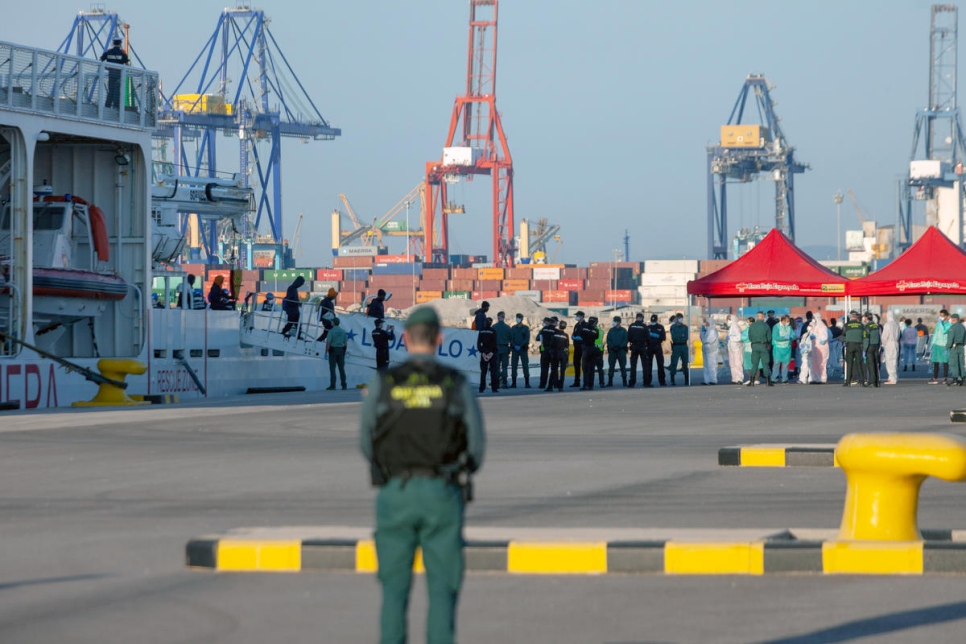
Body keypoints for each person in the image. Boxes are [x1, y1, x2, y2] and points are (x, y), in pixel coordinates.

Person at [359, 305, 485, 644]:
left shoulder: (384, 383)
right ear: (440, 340)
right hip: (441, 492)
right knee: (442, 591)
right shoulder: (454, 383)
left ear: (405, 339)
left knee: (394, 593)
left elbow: (365, 441)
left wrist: (388, 469)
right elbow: (476, 448)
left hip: (395, 494)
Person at [99, 38, 129, 110]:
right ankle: (116, 107)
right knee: (117, 91)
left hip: (111, 73)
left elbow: (101, 60)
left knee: (111, 91)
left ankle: (107, 106)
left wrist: (106, 67)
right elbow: (127, 63)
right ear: (120, 43)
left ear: (113, 43)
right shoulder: (122, 52)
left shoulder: (109, 52)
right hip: (119, 74)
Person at [747, 311, 772, 387]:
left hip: (754, 345)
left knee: (754, 364)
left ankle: (751, 381)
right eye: (763, 316)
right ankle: (768, 381)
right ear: (762, 317)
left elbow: (750, 337)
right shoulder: (766, 325)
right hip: (763, 346)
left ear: (757, 317)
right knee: (765, 364)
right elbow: (769, 338)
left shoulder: (752, 326)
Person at [842, 311, 867, 387]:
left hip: (850, 345)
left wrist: (846, 340)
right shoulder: (861, 325)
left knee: (849, 364)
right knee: (859, 363)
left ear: (850, 318)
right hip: (858, 345)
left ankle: (848, 381)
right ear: (856, 318)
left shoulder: (846, 325)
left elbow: (843, 335)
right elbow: (864, 335)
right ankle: (862, 381)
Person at [476, 317, 498, 393]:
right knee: (493, 372)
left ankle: (481, 388)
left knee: (483, 372)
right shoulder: (493, 331)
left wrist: (482, 352)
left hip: (484, 353)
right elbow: (495, 344)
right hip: (491, 353)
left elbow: (478, 344)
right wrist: (491, 353)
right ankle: (494, 388)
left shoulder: (481, 331)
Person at [644, 314, 667, 387]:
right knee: (648, 365)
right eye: (652, 320)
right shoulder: (647, 328)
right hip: (649, 347)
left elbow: (663, 337)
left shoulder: (660, 327)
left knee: (660, 365)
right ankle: (647, 382)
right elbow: (645, 338)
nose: (653, 321)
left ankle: (662, 381)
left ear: (656, 320)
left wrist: (657, 339)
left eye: (654, 320)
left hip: (657, 346)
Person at [325, 317, 348, 390]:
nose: (331, 323)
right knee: (341, 368)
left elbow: (328, 343)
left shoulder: (331, 331)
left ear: (334, 323)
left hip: (333, 350)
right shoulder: (343, 331)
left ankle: (333, 385)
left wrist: (326, 352)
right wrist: (343, 351)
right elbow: (345, 343)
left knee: (332, 369)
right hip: (341, 350)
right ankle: (344, 385)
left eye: (332, 322)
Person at [579, 316, 601, 390]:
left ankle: (585, 384)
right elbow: (596, 337)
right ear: (595, 322)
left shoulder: (584, 328)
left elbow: (581, 334)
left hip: (585, 348)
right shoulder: (595, 330)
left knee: (585, 368)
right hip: (592, 348)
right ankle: (590, 385)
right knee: (592, 368)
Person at [509, 313, 531, 388]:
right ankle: (514, 383)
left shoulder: (525, 328)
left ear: (522, 319)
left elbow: (527, 339)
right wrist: (514, 345)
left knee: (525, 365)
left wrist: (520, 345)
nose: (517, 319)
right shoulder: (513, 328)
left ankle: (527, 383)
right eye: (517, 317)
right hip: (515, 349)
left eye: (519, 318)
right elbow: (511, 338)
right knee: (514, 366)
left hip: (523, 349)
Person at [606, 316, 628, 387]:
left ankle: (624, 381)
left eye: (615, 321)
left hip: (621, 351)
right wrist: (612, 346)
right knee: (611, 366)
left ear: (619, 322)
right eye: (614, 321)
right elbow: (608, 340)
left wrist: (620, 346)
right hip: (612, 351)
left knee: (623, 366)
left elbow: (625, 340)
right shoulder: (611, 330)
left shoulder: (623, 330)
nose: (614, 322)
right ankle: (610, 382)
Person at [930, 310, 952, 385]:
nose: (941, 317)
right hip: (937, 344)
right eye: (940, 315)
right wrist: (932, 343)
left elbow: (944, 332)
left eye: (942, 316)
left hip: (944, 344)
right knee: (935, 361)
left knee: (945, 361)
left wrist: (940, 323)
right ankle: (935, 378)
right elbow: (936, 333)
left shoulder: (949, 325)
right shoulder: (938, 324)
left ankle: (945, 377)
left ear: (946, 316)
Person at [547, 320, 570, 392]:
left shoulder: (554, 334)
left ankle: (550, 386)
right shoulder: (566, 335)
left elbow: (551, 344)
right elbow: (567, 346)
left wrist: (551, 353)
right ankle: (561, 387)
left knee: (554, 370)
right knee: (562, 372)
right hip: (563, 354)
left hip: (555, 353)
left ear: (559, 326)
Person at [771, 315, 794, 383]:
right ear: (783, 320)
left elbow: (793, 335)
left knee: (785, 364)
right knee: (776, 363)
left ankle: (784, 378)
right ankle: (774, 378)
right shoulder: (776, 327)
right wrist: (786, 337)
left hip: (787, 348)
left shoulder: (789, 327)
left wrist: (791, 337)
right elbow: (776, 337)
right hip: (778, 348)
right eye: (787, 321)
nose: (788, 322)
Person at [627, 312, 648, 387]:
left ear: (636, 318)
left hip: (634, 347)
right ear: (642, 318)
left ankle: (632, 382)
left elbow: (628, 337)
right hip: (642, 347)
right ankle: (646, 382)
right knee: (645, 365)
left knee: (633, 366)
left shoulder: (631, 326)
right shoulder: (644, 326)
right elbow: (647, 337)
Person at [492, 311, 512, 389]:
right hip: (505, 348)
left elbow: (492, 339)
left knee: (496, 367)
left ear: (498, 317)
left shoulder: (494, 327)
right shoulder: (508, 327)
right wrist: (509, 349)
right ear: (504, 317)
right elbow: (511, 339)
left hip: (496, 349)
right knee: (504, 367)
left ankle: (496, 383)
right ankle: (504, 382)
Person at [668, 314, 689, 386]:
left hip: (684, 346)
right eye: (679, 318)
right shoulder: (673, 327)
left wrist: (680, 336)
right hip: (676, 346)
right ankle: (672, 379)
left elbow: (686, 337)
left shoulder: (685, 327)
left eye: (681, 318)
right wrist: (681, 335)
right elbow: (674, 337)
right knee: (674, 363)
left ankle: (687, 379)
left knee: (685, 363)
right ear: (676, 318)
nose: (680, 319)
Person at [809, 313, 830, 384]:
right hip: (815, 347)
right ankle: (816, 378)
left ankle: (822, 378)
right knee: (815, 363)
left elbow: (824, 337)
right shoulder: (815, 326)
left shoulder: (822, 326)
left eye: (814, 318)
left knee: (822, 364)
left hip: (822, 347)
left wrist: (816, 337)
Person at [945, 313, 966, 386]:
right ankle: (963, 378)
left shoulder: (952, 328)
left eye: (951, 318)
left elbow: (950, 339)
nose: (950, 320)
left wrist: (946, 347)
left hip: (954, 347)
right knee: (961, 363)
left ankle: (955, 379)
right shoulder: (962, 327)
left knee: (954, 363)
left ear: (954, 319)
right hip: (961, 346)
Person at [880, 310, 900, 385]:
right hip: (895, 343)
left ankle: (891, 378)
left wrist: (883, 344)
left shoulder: (887, 325)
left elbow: (884, 336)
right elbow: (898, 334)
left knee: (889, 361)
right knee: (894, 361)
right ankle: (894, 376)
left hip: (889, 343)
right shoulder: (896, 324)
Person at [863, 313, 882, 388]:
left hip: (870, 346)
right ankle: (877, 381)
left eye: (864, 318)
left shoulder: (867, 326)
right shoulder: (875, 325)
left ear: (867, 318)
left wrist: (864, 349)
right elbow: (879, 336)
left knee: (870, 365)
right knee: (876, 364)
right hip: (876, 346)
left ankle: (872, 381)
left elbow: (866, 339)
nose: (864, 319)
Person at [537, 317, 555, 390]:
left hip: (545, 350)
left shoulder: (543, 329)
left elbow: (540, 339)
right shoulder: (554, 330)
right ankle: (553, 384)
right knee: (553, 368)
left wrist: (542, 349)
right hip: (552, 350)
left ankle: (542, 384)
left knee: (544, 368)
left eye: (544, 321)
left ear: (548, 322)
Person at [570, 311, 587, 387]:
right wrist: (573, 337)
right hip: (576, 347)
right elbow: (574, 334)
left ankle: (585, 382)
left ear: (582, 316)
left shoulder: (586, 325)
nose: (576, 317)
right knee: (576, 364)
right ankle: (577, 381)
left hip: (583, 347)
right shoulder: (576, 325)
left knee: (584, 365)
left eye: (578, 315)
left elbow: (586, 336)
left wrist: (581, 338)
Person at [701, 318, 720, 385]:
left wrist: (703, 338)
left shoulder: (713, 331)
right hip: (706, 350)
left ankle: (713, 380)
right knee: (706, 365)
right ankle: (707, 380)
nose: (706, 324)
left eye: (708, 323)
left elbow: (708, 340)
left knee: (712, 365)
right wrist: (702, 332)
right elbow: (702, 338)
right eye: (706, 323)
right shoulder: (707, 330)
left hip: (712, 350)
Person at [726, 315, 744, 385]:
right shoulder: (731, 328)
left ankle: (739, 378)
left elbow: (739, 338)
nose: (728, 321)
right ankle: (734, 378)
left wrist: (731, 338)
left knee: (738, 363)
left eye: (729, 319)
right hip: (731, 347)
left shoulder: (736, 327)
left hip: (737, 347)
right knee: (732, 364)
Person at [797, 319, 813, 384]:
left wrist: (808, 348)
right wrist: (803, 348)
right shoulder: (805, 334)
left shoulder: (815, 335)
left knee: (812, 367)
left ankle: (811, 379)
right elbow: (802, 342)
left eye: (811, 325)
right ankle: (802, 379)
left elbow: (814, 344)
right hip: (805, 353)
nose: (809, 327)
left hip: (812, 353)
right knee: (804, 366)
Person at [742, 316, 754, 383]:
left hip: (752, 348)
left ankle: (754, 379)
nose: (746, 323)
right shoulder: (746, 329)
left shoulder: (753, 329)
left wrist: (747, 339)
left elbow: (748, 338)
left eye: (747, 322)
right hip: (747, 348)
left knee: (754, 364)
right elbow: (743, 337)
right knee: (748, 364)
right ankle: (750, 378)